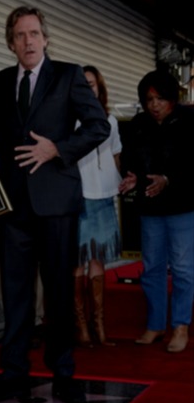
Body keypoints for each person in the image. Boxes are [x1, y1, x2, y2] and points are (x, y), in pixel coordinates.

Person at [0, 6, 109, 403]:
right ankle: (14, 371)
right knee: (14, 292)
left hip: (57, 203)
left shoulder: (68, 75)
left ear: (45, 38)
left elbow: (97, 125)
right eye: (20, 35)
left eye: (34, 34)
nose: (28, 41)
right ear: (11, 42)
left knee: (59, 291)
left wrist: (58, 149)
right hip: (12, 205)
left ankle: (63, 370)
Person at [119, 69, 194, 353]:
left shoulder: (189, 120)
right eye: (149, 99)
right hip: (149, 208)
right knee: (151, 269)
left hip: (183, 207)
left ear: (172, 98)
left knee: (184, 269)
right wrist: (133, 177)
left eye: (160, 98)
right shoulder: (139, 124)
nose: (154, 104)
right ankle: (155, 324)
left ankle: (181, 326)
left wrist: (169, 179)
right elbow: (130, 160)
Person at [73, 65, 123, 348]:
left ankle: (99, 327)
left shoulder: (111, 120)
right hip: (79, 198)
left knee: (98, 261)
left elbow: (117, 157)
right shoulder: (70, 120)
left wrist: (126, 179)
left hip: (105, 197)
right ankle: (81, 327)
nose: (87, 88)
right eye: (83, 84)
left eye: (91, 84)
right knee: (77, 262)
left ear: (99, 87)